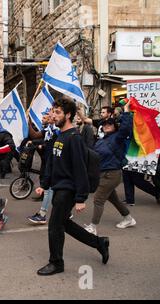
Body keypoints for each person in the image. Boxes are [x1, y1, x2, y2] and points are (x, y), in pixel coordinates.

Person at [35, 98, 109, 276]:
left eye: (58, 112)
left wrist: (80, 198)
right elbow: (52, 163)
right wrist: (44, 185)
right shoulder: (60, 135)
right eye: (53, 111)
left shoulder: (74, 138)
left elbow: (80, 168)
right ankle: (99, 243)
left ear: (68, 115)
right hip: (59, 187)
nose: (54, 115)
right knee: (64, 224)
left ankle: (56, 263)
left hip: (68, 189)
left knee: (54, 226)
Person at [84, 103, 136, 235]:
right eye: (105, 124)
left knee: (98, 199)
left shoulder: (118, 137)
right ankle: (128, 218)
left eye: (110, 124)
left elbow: (126, 128)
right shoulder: (102, 140)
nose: (107, 125)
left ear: (115, 126)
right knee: (114, 199)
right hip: (103, 173)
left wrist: (125, 111)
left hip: (111, 174)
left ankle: (93, 227)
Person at [27, 108, 59, 224]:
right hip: (49, 162)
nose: (48, 117)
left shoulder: (58, 131)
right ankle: (66, 212)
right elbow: (35, 135)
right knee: (53, 190)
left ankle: (42, 214)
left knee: (49, 189)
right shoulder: (48, 130)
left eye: (50, 115)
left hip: (56, 164)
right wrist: (28, 122)